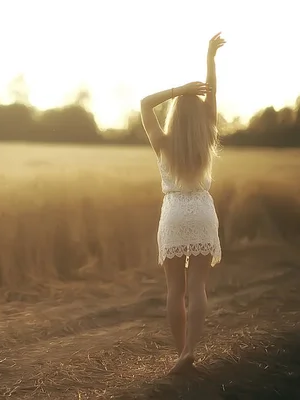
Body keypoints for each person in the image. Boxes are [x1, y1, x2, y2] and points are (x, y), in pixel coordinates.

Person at [140, 32, 226, 375]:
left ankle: (181, 355)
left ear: (175, 114)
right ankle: (190, 350)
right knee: (198, 287)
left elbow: (145, 103)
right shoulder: (206, 134)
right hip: (202, 211)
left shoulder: (161, 142)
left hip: (174, 213)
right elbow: (213, 92)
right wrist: (210, 57)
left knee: (174, 290)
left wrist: (179, 90)